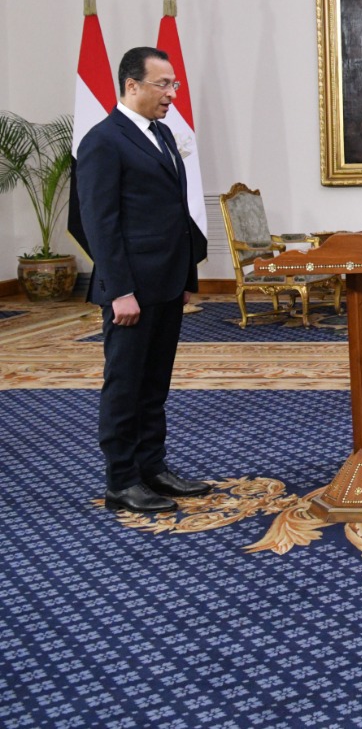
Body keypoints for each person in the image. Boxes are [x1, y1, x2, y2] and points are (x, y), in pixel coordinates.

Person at [76, 46, 211, 513]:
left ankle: (153, 468)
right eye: (163, 84)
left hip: (167, 284)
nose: (172, 93)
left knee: (154, 385)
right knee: (125, 385)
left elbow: (176, 213)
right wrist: (120, 291)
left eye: (174, 84)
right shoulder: (102, 140)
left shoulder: (163, 134)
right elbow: (99, 224)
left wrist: (187, 275)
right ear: (131, 85)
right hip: (130, 289)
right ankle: (121, 481)